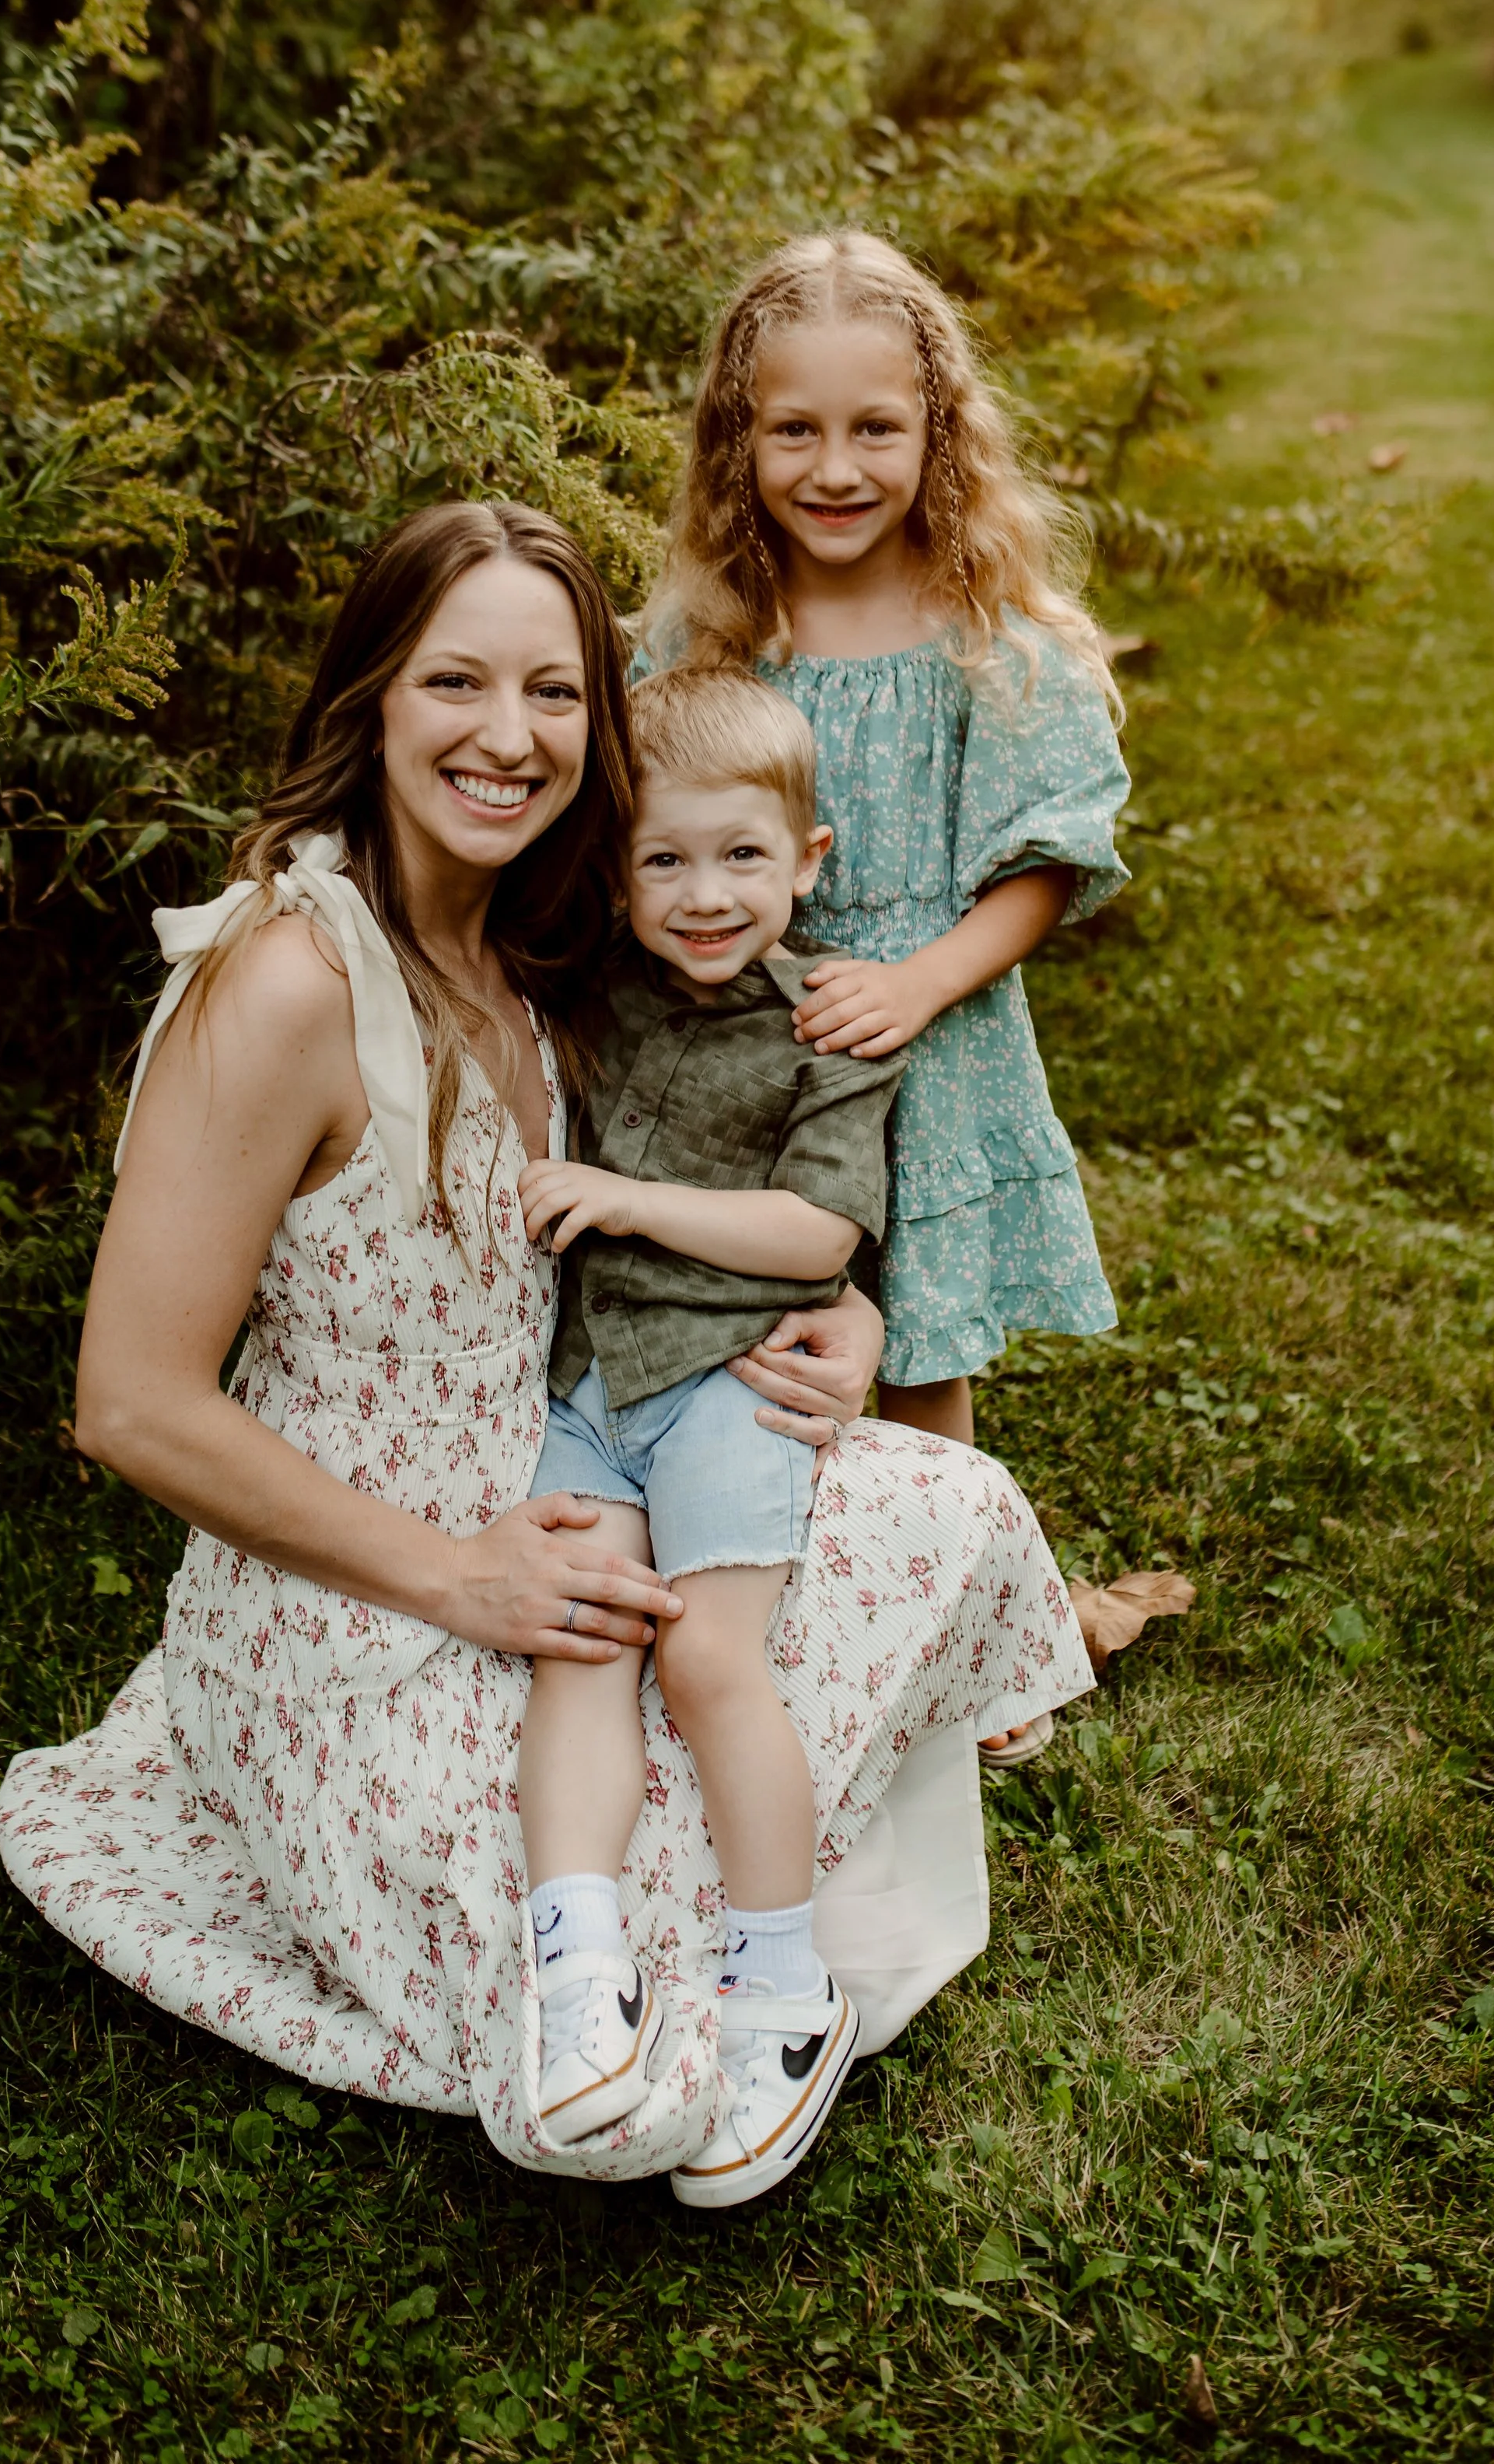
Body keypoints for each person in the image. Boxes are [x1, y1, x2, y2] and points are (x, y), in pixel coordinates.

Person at [0, 498, 1094, 2189]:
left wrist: (841, 1307)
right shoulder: (287, 985)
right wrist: (453, 1581)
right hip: (366, 1584)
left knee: (940, 1505)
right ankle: (647, 1961)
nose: (508, 739)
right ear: (370, 695)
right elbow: (129, 1406)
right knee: (606, 2064)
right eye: (455, 683)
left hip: (596, 1455)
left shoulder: (550, 940)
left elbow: (741, 1155)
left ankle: (769, 1980)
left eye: (555, 694)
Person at [641, 230, 1132, 1767]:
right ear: (740, 439)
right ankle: (784, 1611)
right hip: (746, 1036)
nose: (834, 466)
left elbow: (1048, 858)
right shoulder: (717, 627)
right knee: (769, 1344)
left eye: (875, 428)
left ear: (937, 435)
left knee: (917, 1364)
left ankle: (984, 1658)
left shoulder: (983, 629)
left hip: (929, 1036)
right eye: (793, 429)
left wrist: (917, 981)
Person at [515, 667, 907, 2202]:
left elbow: (817, 1234)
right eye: (662, 857)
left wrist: (622, 1201)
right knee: (577, 1638)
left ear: (805, 860)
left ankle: (781, 1988)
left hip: (728, 1382)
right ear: (613, 862)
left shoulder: (827, 1027)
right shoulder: (578, 992)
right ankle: (578, 1967)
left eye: (741, 856)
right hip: (588, 1395)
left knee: (706, 1657)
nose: (700, 894)